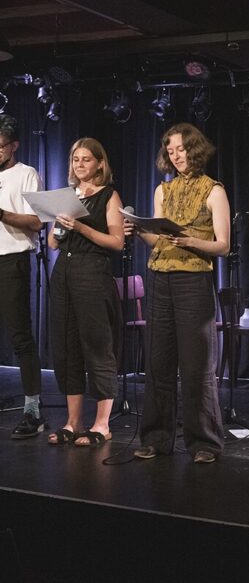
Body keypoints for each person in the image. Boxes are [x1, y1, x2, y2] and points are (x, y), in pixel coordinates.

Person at [130, 122, 229, 463]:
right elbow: (158, 240)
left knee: (196, 364)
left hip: (193, 280)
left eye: (181, 149)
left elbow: (223, 245)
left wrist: (191, 241)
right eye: (170, 151)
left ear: (194, 149)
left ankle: (204, 443)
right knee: (158, 362)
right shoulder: (162, 190)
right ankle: (157, 438)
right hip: (160, 277)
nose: (176, 156)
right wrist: (139, 229)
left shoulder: (213, 190)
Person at [47, 138, 124, 446]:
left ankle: (102, 424)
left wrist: (81, 228)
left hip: (92, 272)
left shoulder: (109, 195)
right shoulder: (67, 196)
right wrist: (59, 223)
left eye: (86, 160)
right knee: (66, 348)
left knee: (96, 345)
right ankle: (73, 422)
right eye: (76, 160)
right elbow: (53, 244)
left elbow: (117, 242)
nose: (80, 165)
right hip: (63, 272)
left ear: (99, 164)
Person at [0, 114, 46, 439]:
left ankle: (32, 411)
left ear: (14, 145)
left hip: (12, 260)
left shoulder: (26, 173)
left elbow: (36, 223)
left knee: (20, 337)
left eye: (0, 146)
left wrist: (1, 214)